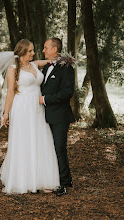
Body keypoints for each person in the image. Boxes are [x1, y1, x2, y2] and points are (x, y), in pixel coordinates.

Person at [0, 39, 60, 194]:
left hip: (37, 108)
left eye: (33, 50)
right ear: (22, 52)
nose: (33, 53)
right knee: (24, 141)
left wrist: (64, 58)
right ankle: (23, 179)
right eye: (30, 51)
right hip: (22, 109)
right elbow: (10, 93)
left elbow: (51, 61)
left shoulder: (35, 64)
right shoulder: (13, 69)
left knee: (40, 139)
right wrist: (6, 113)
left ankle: (42, 179)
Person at [39, 37, 75, 196]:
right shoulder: (46, 68)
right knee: (49, 148)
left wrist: (45, 100)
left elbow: (68, 92)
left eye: (46, 47)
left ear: (55, 49)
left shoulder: (66, 68)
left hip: (60, 115)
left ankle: (63, 182)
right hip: (44, 115)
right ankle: (59, 178)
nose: (43, 50)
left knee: (59, 148)